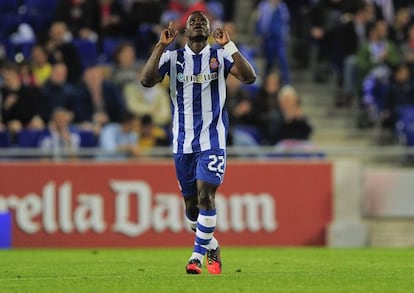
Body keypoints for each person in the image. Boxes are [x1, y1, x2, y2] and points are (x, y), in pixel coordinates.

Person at [140, 11, 256, 274]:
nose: (198, 23)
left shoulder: (220, 55)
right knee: (191, 207)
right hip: (183, 144)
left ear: (209, 29)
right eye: (192, 21)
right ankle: (211, 244)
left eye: (203, 20)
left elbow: (249, 77)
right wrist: (160, 46)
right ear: (184, 30)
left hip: (212, 140)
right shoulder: (172, 58)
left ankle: (196, 257)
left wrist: (229, 44)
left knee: (207, 195)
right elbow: (146, 80)